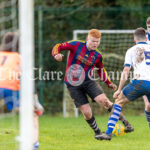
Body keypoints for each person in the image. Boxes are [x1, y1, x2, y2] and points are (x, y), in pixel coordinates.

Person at [52, 29, 134, 140]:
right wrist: (56, 54)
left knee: (105, 101)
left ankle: (126, 124)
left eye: (97, 41)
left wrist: (109, 83)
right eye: (93, 41)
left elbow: (101, 70)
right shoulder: (76, 45)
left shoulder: (97, 56)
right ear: (87, 39)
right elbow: (58, 46)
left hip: (89, 81)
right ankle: (98, 132)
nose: (95, 44)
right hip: (73, 85)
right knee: (86, 112)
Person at [99, 27, 150, 140]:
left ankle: (107, 133)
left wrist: (119, 90)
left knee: (118, 102)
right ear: (146, 38)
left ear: (134, 39)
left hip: (140, 82)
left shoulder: (132, 50)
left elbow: (126, 71)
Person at [0, 32, 44, 150]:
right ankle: (34, 144)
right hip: (8, 87)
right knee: (33, 114)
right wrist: (35, 100)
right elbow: (28, 80)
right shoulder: (19, 57)